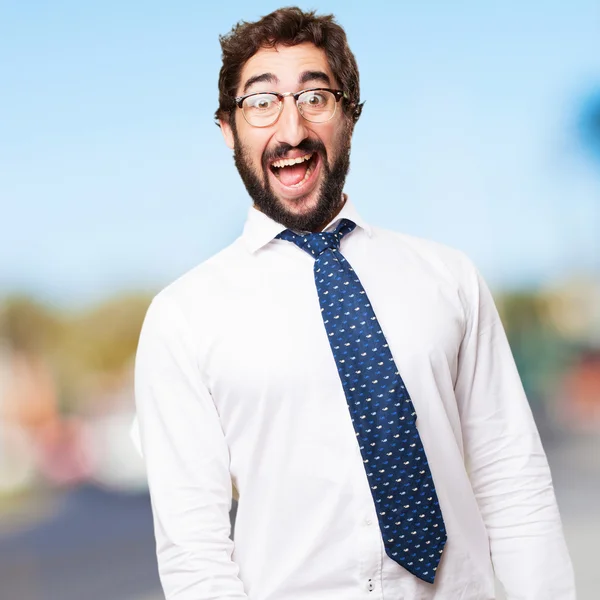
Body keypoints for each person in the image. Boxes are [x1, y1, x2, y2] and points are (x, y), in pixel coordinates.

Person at [133, 7, 575, 599]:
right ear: (227, 130)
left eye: (315, 97)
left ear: (349, 115)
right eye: (261, 102)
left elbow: (512, 478)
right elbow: (195, 552)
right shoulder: (183, 318)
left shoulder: (449, 279)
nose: (290, 129)